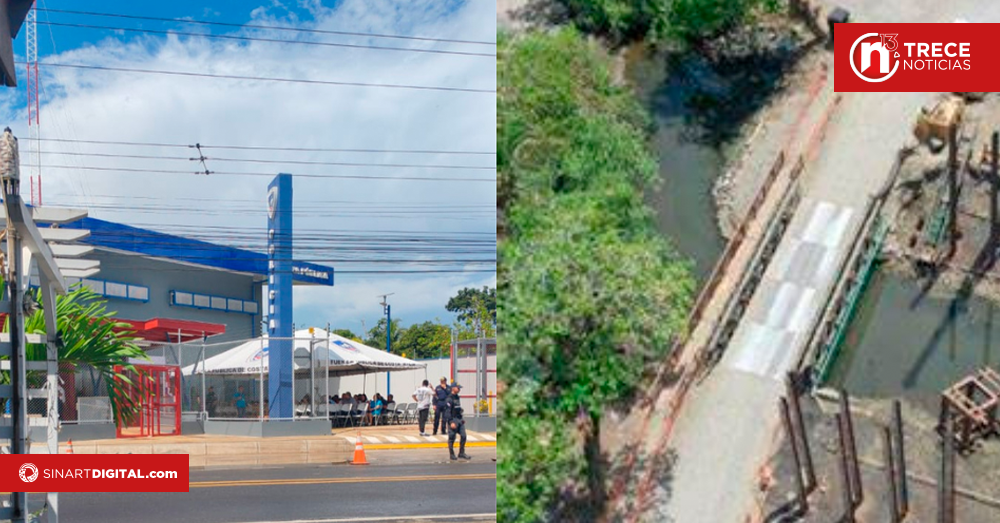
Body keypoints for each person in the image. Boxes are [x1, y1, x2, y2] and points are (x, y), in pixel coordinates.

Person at [446, 382, 470, 461]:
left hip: (459, 419)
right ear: (453, 388)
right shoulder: (449, 398)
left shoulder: (457, 397)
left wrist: (461, 418)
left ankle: (461, 453)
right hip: (453, 420)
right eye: (458, 388)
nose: (459, 389)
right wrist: (451, 422)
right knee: (452, 437)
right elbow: (447, 411)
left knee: (463, 436)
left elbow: (458, 409)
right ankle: (452, 454)